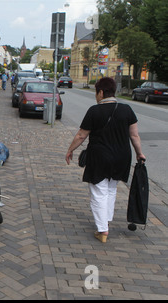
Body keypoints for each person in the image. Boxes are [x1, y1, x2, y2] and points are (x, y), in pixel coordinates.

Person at [65, 77, 145, 243]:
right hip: (122, 157)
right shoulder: (127, 109)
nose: (96, 96)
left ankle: (102, 230)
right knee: (111, 189)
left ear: (101, 92)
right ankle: (105, 220)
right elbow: (134, 135)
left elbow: (81, 135)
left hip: (100, 157)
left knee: (99, 192)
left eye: (96, 92)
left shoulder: (94, 111)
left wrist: (70, 150)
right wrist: (139, 153)